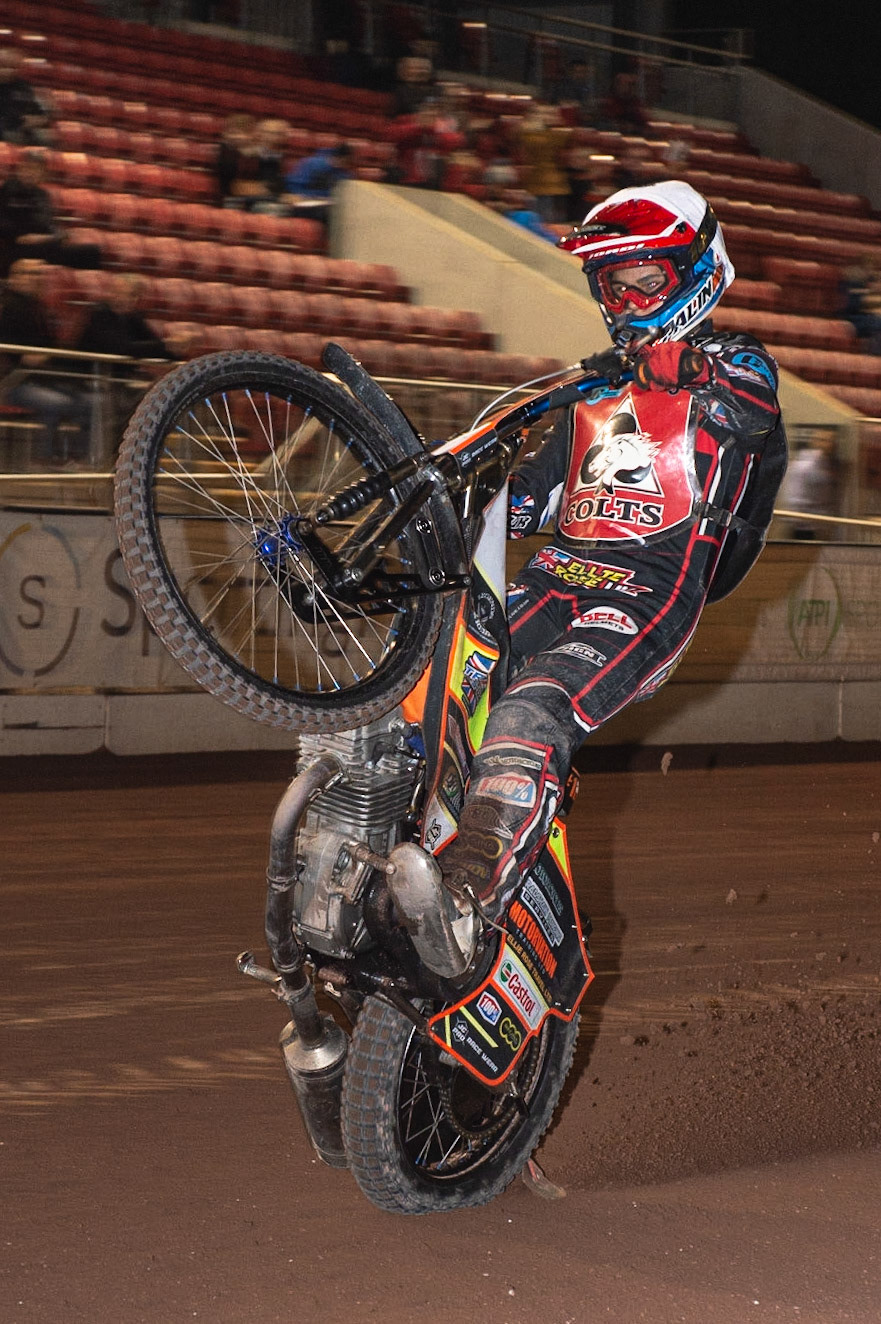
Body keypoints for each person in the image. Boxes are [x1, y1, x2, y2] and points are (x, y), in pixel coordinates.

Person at [387, 179, 788, 979]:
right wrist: (450, 496)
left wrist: (684, 372)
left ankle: (465, 900)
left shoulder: (736, 365)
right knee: (423, 682)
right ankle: (365, 840)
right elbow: (531, 494)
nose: (627, 298)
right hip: (554, 574)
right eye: (614, 283)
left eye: (648, 280)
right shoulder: (594, 392)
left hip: (646, 593)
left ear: (693, 275)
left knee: (532, 711)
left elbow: (748, 408)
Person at [0, 257, 91, 468]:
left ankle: (77, 458)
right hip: (15, 382)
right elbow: (17, 354)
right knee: (58, 403)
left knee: (89, 402)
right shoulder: (9, 307)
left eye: (38, 274)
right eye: (30, 274)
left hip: (42, 378)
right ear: (14, 278)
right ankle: (44, 458)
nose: (36, 279)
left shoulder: (38, 307)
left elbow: (48, 348)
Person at [0, 151, 102, 277]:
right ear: (20, 169)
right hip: (18, 247)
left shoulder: (43, 196)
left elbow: (51, 225)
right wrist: (21, 235)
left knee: (91, 252)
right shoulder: (9, 189)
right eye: (27, 167)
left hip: (45, 246)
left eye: (36, 170)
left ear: (42, 175)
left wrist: (54, 237)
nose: (31, 173)